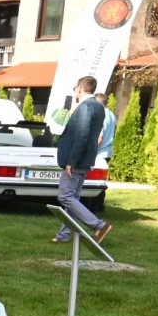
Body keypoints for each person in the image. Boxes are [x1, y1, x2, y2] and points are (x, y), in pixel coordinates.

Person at [50, 76, 112, 245]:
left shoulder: (85, 107)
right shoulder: (99, 107)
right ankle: (63, 235)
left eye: (75, 89)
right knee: (73, 198)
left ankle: (99, 225)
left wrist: (71, 161)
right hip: (86, 159)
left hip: (76, 161)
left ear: (79, 89)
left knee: (65, 196)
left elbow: (81, 136)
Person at [95, 92, 117, 160]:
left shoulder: (101, 115)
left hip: (99, 153)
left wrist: (90, 152)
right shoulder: (111, 115)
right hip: (107, 152)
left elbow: (100, 138)